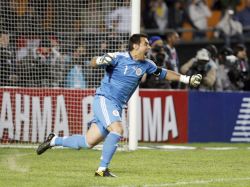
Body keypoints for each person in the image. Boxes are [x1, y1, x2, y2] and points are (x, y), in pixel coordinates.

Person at [36, 34, 202, 177]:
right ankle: (102, 170)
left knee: (88, 142)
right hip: (104, 99)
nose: (149, 46)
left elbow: (165, 73)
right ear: (136, 45)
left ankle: (54, 140)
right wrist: (101, 59)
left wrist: (186, 79)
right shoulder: (118, 57)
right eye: (146, 43)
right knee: (117, 129)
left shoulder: (147, 65)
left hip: (115, 105)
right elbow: (92, 63)